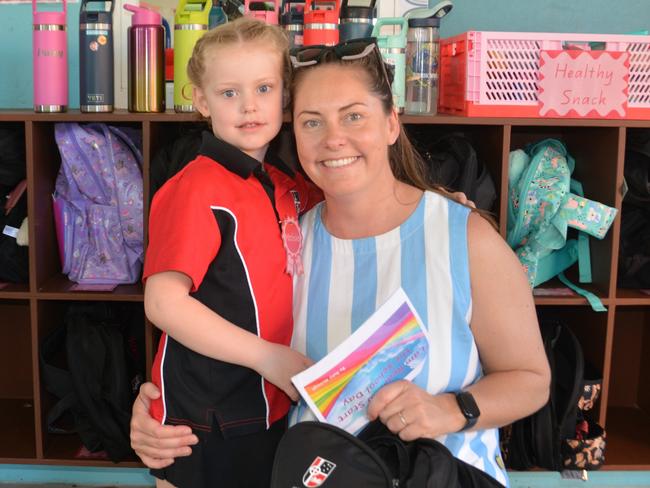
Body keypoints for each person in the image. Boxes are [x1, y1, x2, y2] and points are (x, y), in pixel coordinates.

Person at [132, 38, 551, 487]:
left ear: (392, 123)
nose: (334, 139)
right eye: (313, 122)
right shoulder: (290, 230)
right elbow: (221, 316)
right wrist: (158, 408)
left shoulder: (463, 237)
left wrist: (452, 409)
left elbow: (530, 380)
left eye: (354, 116)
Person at [141, 17, 322, 488]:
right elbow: (163, 302)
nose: (248, 106)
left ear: (285, 94)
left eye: (264, 88)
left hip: (269, 401)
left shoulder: (287, 185)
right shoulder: (196, 186)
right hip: (204, 413)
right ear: (201, 100)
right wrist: (266, 357)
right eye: (228, 93)